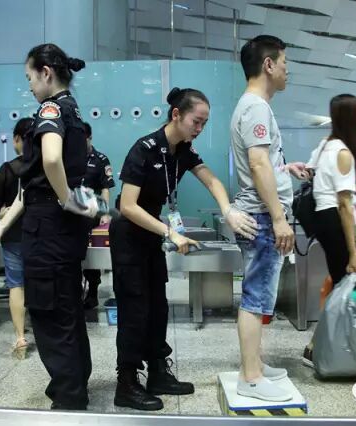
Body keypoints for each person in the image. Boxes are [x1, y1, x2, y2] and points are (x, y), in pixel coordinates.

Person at [110, 87, 258, 411]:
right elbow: (128, 206)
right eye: (196, 121)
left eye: (204, 123)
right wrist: (170, 233)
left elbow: (212, 181)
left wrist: (228, 210)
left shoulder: (182, 151)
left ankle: (158, 373)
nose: (200, 128)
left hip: (150, 235)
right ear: (176, 115)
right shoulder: (144, 149)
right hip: (129, 236)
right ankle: (127, 383)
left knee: (157, 307)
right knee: (135, 311)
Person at [0, 43, 98, 410]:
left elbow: (50, 160)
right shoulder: (73, 110)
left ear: (46, 73)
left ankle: (69, 400)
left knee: (49, 313)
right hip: (59, 228)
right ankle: (74, 385)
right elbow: (33, 187)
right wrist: (1, 227)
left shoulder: (50, 109)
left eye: (30, 77)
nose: (29, 85)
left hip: (48, 231)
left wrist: (66, 198)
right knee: (67, 310)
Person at [230, 35, 307, 402]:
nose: (288, 71)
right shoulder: (255, 107)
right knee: (255, 296)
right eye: (285, 64)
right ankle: (250, 376)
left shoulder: (254, 107)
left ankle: (255, 365)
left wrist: (285, 169)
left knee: (260, 296)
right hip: (261, 216)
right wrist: (279, 218)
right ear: (268, 65)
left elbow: (265, 162)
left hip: (261, 212)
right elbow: (258, 163)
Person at [302, 94, 356, 368]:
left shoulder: (324, 146)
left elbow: (308, 172)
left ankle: (328, 346)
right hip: (333, 219)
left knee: (345, 287)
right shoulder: (342, 153)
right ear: (350, 117)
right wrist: (353, 251)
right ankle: (321, 348)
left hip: (321, 219)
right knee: (353, 288)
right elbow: (344, 205)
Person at [0, 117, 34, 358]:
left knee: (16, 285)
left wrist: (5, 211)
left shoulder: (7, 169)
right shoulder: (43, 167)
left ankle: (20, 338)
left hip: (14, 236)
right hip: (41, 235)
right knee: (41, 282)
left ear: (16, 139)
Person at [81, 122, 115, 310]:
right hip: (72, 212)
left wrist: (105, 212)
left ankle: (92, 291)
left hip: (92, 214)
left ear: (90, 138)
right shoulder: (69, 158)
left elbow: (105, 188)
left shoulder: (100, 159)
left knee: (90, 253)